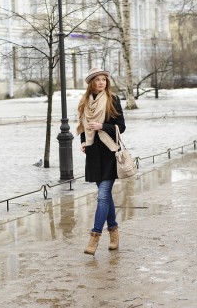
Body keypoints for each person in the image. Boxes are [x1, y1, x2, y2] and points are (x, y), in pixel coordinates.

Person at [77, 68, 126, 255]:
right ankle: (114, 231)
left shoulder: (112, 100)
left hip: (109, 153)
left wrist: (102, 126)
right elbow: (82, 125)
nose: (101, 83)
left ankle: (95, 235)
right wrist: (83, 142)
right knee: (106, 196)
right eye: (97, 80)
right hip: (93, 154)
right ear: (91, 83)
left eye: (103, 79)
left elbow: (121, 126)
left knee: (103, 195)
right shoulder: (84, 103)